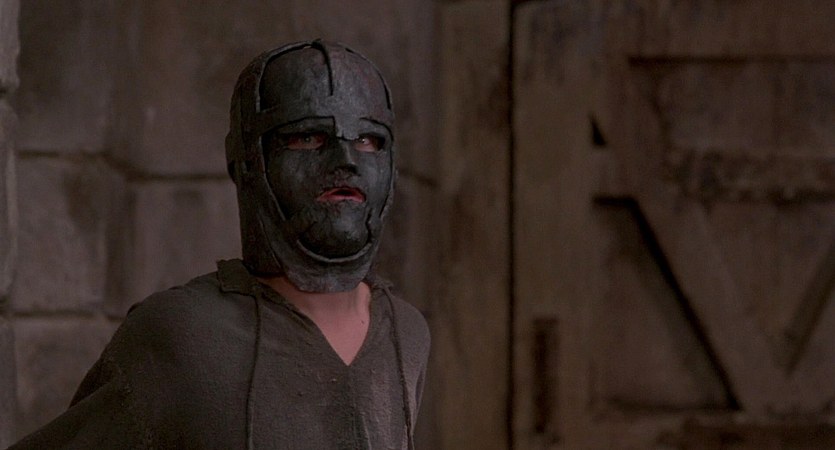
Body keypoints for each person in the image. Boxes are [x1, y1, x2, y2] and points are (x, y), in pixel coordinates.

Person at [9, 40, 430, 450]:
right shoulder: (180, 333)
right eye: (307, 138)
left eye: (368, 140)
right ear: (248, 160)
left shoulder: (406, 333)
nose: (347, 161)